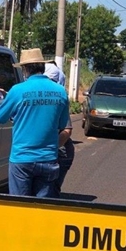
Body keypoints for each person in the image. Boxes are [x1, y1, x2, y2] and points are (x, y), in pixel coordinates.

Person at [0, 48, 70, 198]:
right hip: (48, 158)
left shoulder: (17, 90)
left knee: (20, 208)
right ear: (42, 66)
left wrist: (5, 101)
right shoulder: (60, 91)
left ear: (25, 69)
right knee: (41, 210)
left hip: (22, 158)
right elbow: (63, 126)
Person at [44, 63, 74, 197]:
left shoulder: (58, 99)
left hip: (60, 154)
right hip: (47, 154)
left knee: (51, 193)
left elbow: (67, 131)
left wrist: (50, 147)